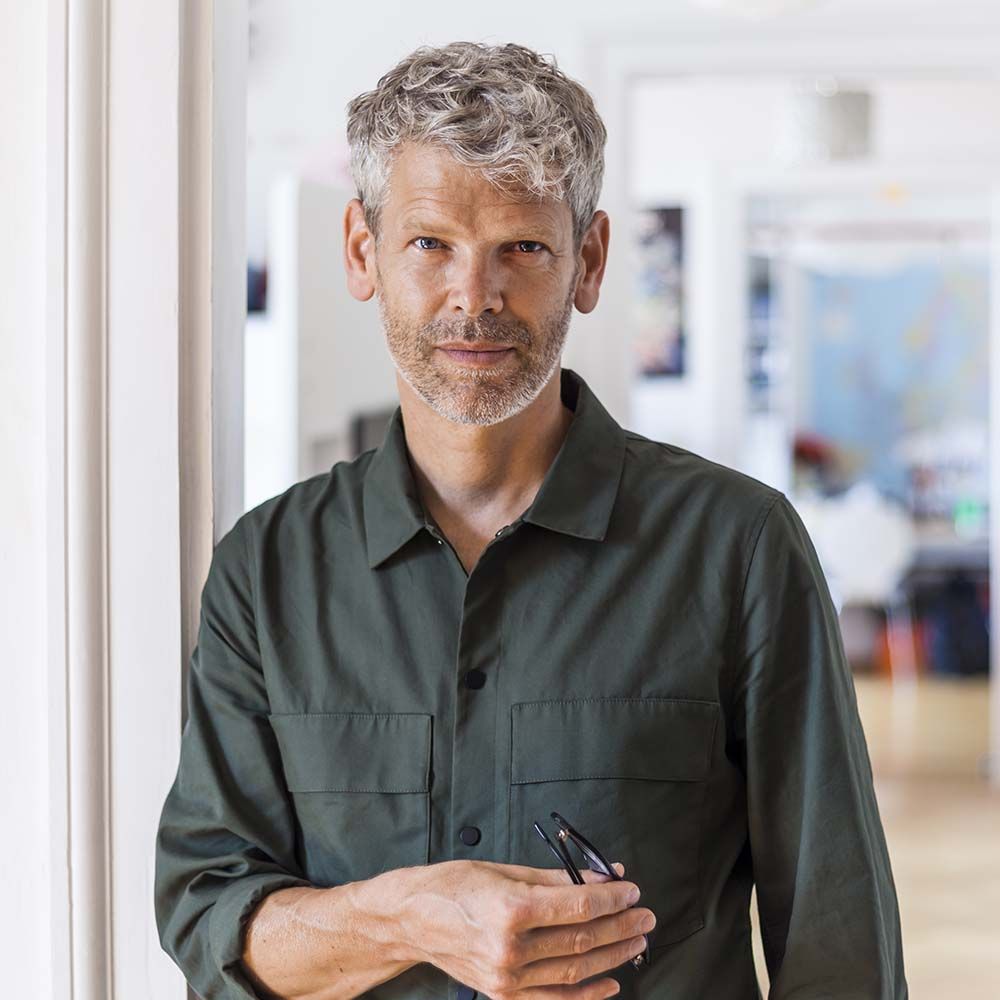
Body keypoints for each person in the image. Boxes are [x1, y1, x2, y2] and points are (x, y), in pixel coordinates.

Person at [154, 40, 907, 1000]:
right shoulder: (266, 571)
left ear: (588, 263)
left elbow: (838, 939)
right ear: (362, 252)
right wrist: (409, 916)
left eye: (524, 246)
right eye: (431, 243)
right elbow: (208, 915)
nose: (476, 296)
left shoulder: (740, 548)